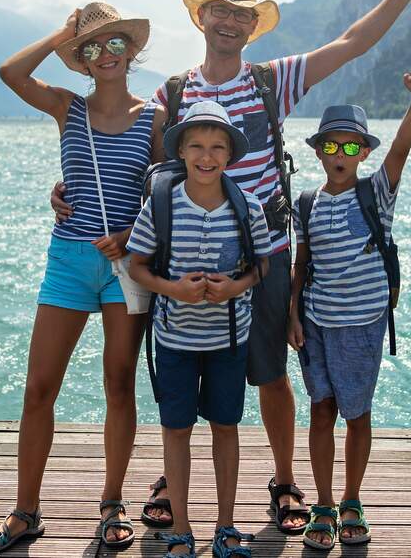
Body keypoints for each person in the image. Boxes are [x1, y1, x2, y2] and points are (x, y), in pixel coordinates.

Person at [52, 0, 411, 531]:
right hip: (186, 254)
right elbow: (137, 161)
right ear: (201, 17)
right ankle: (169, 478)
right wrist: (69, 190)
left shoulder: (272, 81)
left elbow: (355, 41)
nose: (230, 22)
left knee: (271, 371)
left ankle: (284, 480)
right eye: (219, 11)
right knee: (176, 362)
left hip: (266, 250)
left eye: (241, 15)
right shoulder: (171, 96)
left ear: (252, 27)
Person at [0, 3, 155, 556]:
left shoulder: (155, 118)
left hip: (126, 267)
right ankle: (25, 512)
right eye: (93, 48)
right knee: (38, 389)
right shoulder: (67, 109)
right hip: (68, 262)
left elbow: (168, 192)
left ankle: (111, 503)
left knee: (119, 387)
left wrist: (132, 234)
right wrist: (65, 33)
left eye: (114, 43)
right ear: (82, 59)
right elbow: (11, 74)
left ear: (131, 49)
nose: (105, 55)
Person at [287, 70, 411, 551]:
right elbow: (301, 261)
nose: (341, 156)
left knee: (357, 413)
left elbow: (403, 150)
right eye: (333, 147)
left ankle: (352, 499)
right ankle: (325, 504)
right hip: (316, 322)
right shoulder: (306, 203)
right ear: (318, 151)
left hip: (363, 323)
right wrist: (292, 313)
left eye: (352, 149)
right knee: (321, 409)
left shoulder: (376, 194)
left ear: (365, 154)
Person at [126, 101, 271, 558]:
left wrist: (235, 287)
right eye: (197, 147)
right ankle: (182, 530)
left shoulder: (248, 207)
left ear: (229, 155)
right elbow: (136, 265)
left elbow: (262, 266)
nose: (206, 157)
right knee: (177, 431)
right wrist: (173, 289)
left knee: (226, 427)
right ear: (182, 152)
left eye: (216, 148)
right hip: (174, 341)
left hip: (230, 339)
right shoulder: (162, 205)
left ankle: (226, 525)